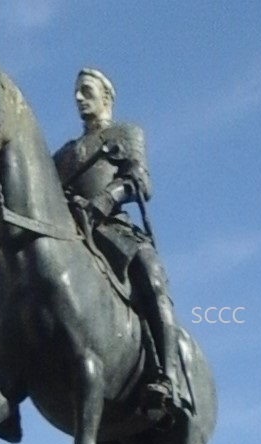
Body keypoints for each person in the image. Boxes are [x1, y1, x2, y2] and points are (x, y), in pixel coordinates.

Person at [53, 68, 181, 417]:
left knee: (152, 277)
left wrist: (108, 198)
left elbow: (141, 181)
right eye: (76, 92)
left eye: (86, 91)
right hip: (74, 234)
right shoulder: (63, 155)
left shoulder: (126, 133)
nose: (78, 98)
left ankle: (167, 377)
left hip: (113, 230)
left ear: (106, 97)